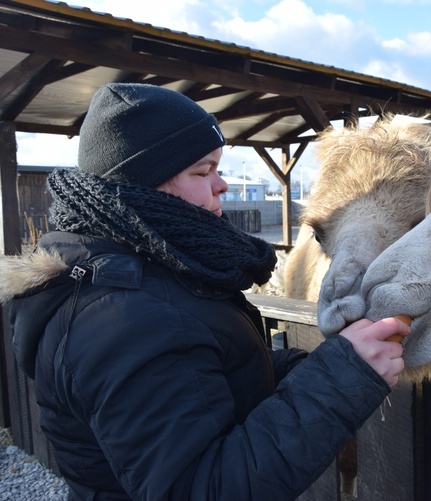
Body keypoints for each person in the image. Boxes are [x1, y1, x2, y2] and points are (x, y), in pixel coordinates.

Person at [0, 83, 410, 500]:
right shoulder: (123, 317)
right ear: (144, 184)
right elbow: (203, 488)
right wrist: (341, 379)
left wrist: (320, 367)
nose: (223, 185)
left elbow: (203, 381)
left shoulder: (143, 274)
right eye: (202, 171)